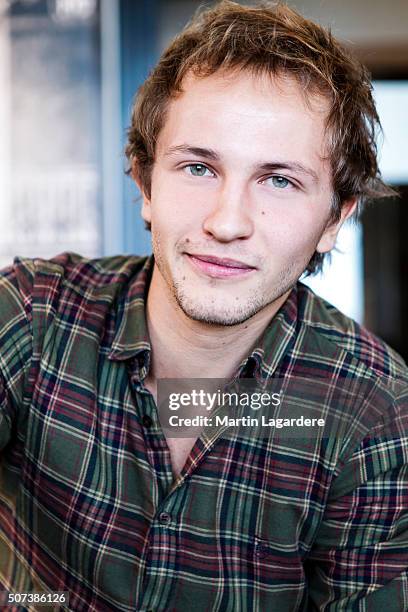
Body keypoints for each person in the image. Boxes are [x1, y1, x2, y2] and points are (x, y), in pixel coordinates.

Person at [0, 1, 407, 610]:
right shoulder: (33, 316)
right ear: (144, 182)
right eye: (197, 167)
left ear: (334, 219)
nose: (227, 222)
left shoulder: (375, 410)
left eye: (279, 180)